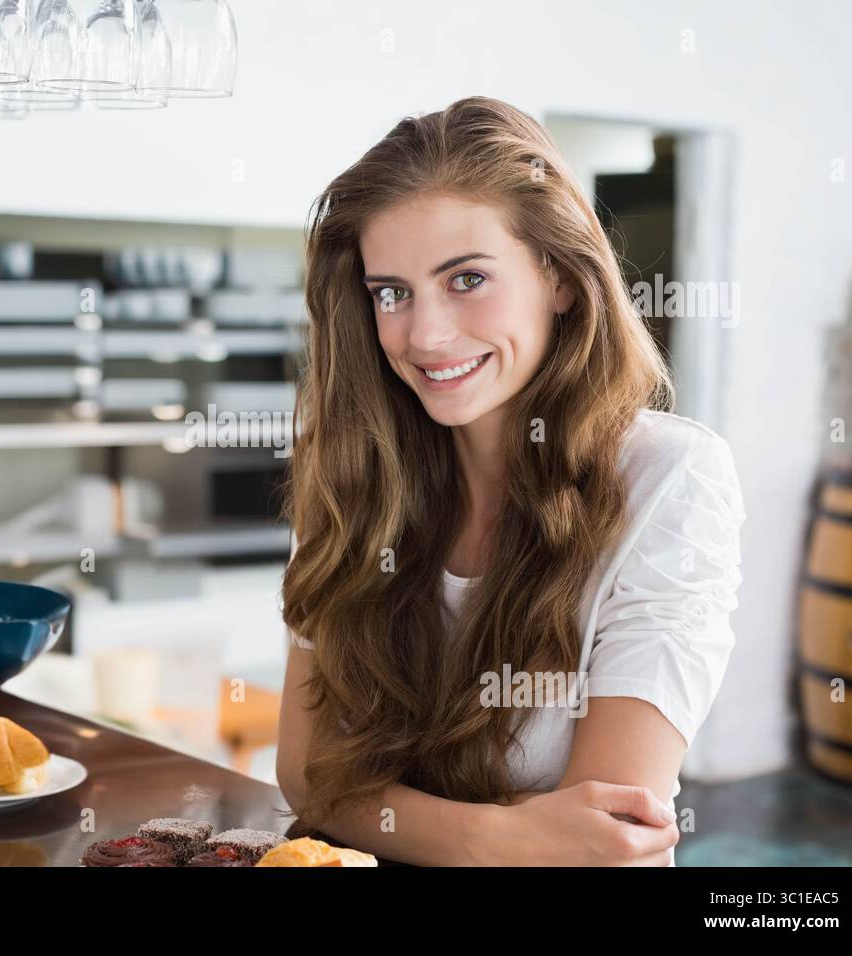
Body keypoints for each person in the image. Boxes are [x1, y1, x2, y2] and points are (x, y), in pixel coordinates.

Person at [275, 96, 745, 866]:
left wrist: (389, 809)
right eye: (391, 292)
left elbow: (600, 842)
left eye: (466, 279)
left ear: (559, 276)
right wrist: (501, 834)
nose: (425, 334)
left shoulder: (670, 479)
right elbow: (307, 778)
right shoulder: (352, 472)